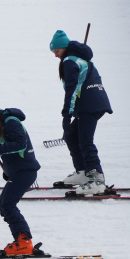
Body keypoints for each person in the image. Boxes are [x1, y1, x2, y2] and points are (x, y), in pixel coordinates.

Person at [0, 95, 42, 257]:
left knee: (7, 204)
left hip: (26, 171)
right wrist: (7, 168)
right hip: (20, 171)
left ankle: (24, 242)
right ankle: (22, 241)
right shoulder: (5, 123)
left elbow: (21, 144)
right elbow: (12, 150)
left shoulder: (10, 121)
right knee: (5, 205)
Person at [50, 30, 113, 195]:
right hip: (93, 103)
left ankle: (96, 179)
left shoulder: (70, 61)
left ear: (64, 48)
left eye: (56, 51)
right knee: (71, 135)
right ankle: (83, 172)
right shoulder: (81, 59)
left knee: (85, 140)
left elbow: (71, 89)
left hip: (89, 105)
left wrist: (66, 115)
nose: (55, 55)